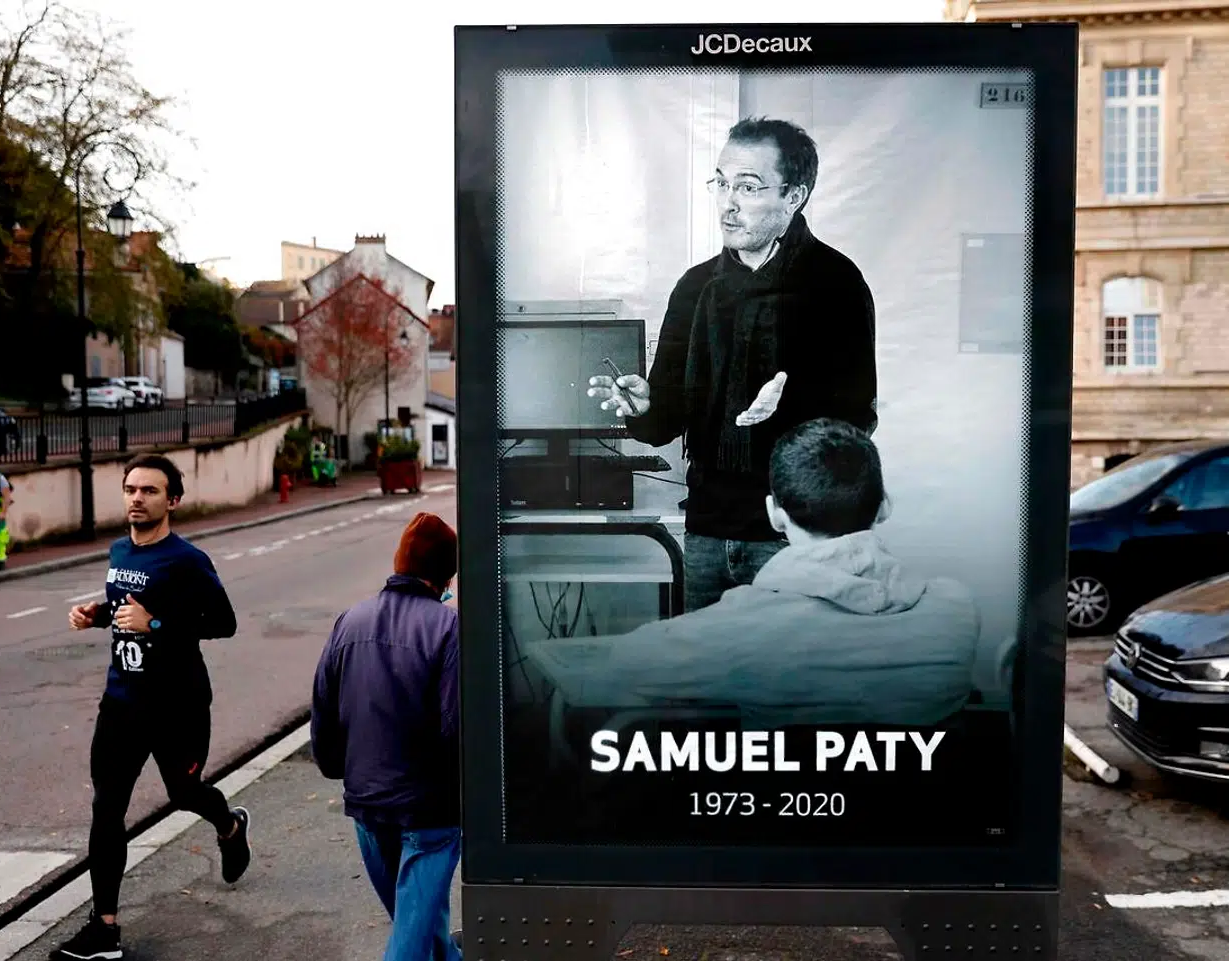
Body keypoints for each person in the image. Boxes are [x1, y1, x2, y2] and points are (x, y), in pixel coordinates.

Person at [587, 116, 878, 611]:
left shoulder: (837, 285)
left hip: (794, 540)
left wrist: (789, 410)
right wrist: (642, 405)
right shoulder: (695, 287)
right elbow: (662, 425)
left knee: (787, 685)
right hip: (706, 535)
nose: (728, 202)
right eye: (722, 184)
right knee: (708, 684)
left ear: (794, 196)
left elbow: (857, 424)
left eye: (748, 186)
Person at [527, 419, 980, 730]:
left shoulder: (734, 628)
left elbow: (627, 666)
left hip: (783, 845)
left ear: (775, 515)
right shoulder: (956, 611)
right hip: (906, 844)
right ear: (885, 506)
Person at [52, 453, 250, 961]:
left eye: (150, 491)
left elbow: (223, 623)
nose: (137, 498)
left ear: (173, 501)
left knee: (184, 794)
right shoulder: (120, 550)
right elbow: (126, 611)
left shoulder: (187, 560)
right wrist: (97, 614)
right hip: (121, 703)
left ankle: (230, 826)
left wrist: (156, 625)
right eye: (131, 489)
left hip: (178, 707)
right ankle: (104, 929)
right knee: (106, 808)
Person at [311, 511, 463, 961]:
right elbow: (455, 726)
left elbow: (323, 708)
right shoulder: (449, 629)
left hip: (367, 804)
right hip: (428, 812)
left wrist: (341, 771)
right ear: (443, 576)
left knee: (418, 920)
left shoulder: (349, 621)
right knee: (411, 942)